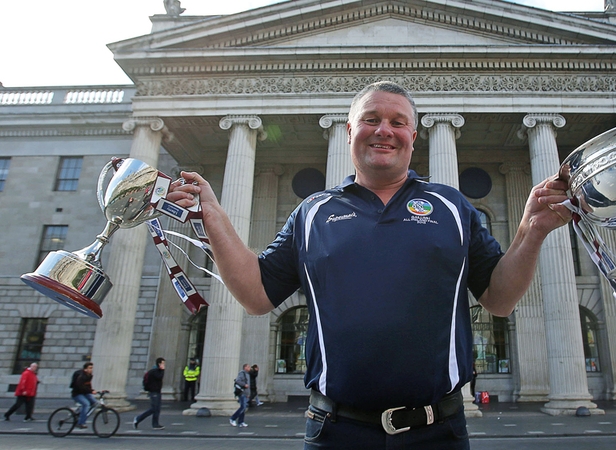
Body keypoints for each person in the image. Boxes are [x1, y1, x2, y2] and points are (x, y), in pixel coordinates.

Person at [167, 80, 571, 449]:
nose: (384, 130)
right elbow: (256, 295)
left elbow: (499, 299)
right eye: (371, 119)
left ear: (413, 137)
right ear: (349, 131)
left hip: (438, 432)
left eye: (398, 122)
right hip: (335, 431)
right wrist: (214, 219)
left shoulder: (451, 207)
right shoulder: (312, 213)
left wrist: (531, 231)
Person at [134, 357, 166, 430]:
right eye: (163, 363)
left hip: (157, 391)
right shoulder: (154, 371)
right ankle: (138, 419)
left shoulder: (156, 371)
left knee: (157, 409)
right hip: (154, 392)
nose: (164, 365)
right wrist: (163, 370)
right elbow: (159, 377)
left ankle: (155, 424)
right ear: (159, 364)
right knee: (154, 408)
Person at [71, 362, 97, 429]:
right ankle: (81, 423)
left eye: (92, 368)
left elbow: (88, 385)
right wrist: (91, 391)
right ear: (85, 369)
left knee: (95, 403)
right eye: (90, 368)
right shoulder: (81, 376)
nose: (91, 369)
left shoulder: (89, 375)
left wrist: (92, 390)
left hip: (85, 393)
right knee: (86, 404)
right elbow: (80, 386)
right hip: (77, 394)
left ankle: (82, 414)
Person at [230, 363, 251, 427]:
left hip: (245, 393)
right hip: (241, 392)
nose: (249, 368)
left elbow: (248, 384)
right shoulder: (242, 373)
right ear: (245, 367)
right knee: (243, 407)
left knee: (243, 408)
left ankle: (241, 421)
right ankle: (233, 418)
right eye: (248, 367)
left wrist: (248, 394)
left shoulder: (247, 374)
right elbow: (238, 381)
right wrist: (244, 385)